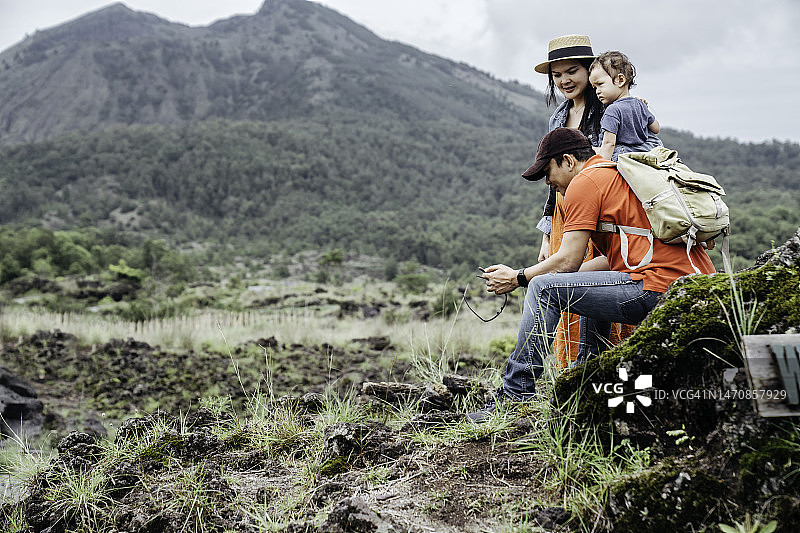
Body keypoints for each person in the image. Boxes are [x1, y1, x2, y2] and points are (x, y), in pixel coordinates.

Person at [468, 128, 715, 422]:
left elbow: (568, 261)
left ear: (568, 161)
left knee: (543, 290)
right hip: (692, 287)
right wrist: (560, 280)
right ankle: (584, 382)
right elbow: (602, 265)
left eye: (548, 171)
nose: (548, 181)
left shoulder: (585, 182)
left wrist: (519, 277)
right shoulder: (614, 175)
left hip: (657, 286)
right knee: (573, 288)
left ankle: (516, 393)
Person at [588, 51, 660, 161]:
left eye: (600, 84)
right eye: (594, 87)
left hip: (622, 157)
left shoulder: (612, 110)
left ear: (620, 80)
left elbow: (609, 144)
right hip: (646, 153)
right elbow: (656, 128)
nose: (597, 91)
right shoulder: (640, 104)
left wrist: (600, 166)